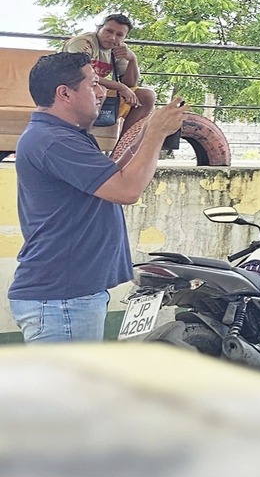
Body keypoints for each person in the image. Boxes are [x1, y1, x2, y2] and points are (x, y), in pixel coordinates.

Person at [8, 51, 187, 343]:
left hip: (68, 297)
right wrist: (156, 134)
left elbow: (111, 177)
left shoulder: (62, 135)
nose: (103, 93)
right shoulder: (55, 141)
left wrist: (143, 134)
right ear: (64, 93)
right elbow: (126, 190)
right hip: (62, 300)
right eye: (93, 84)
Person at [61, 12, 155, 133]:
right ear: (99, 29)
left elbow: (130, 84)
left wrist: (132, 59)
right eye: (109, 31)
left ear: (124, 38)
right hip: (68, 86)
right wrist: (119, 86)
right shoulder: (83, 43)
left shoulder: (118, 49)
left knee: (146, 96)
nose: (112, 38)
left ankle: (124, 144)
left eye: (119, 35)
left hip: (95, 87)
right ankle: (83, 137)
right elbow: (81, 74)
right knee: (100, 91)